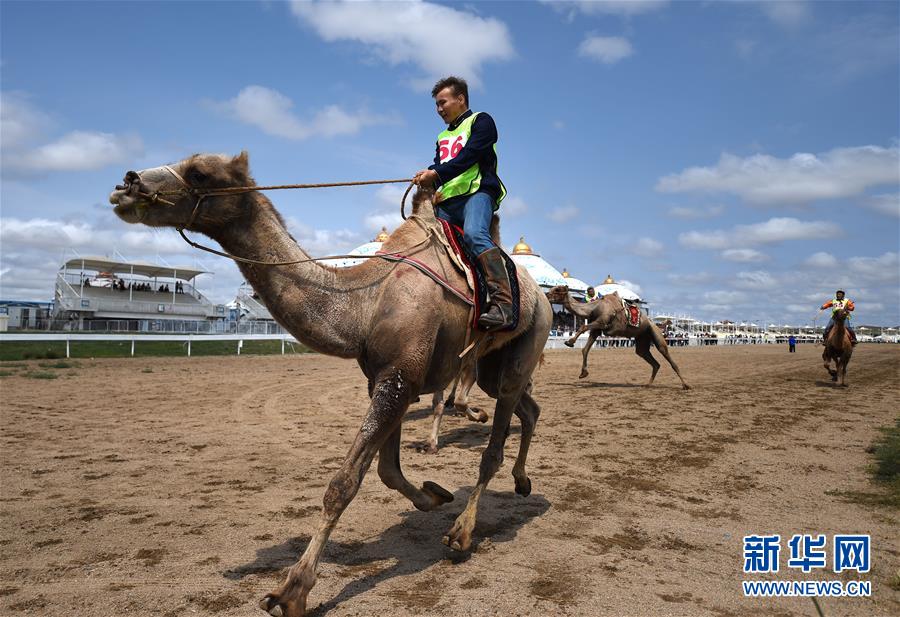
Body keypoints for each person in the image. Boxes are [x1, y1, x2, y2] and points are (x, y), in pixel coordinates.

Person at [413, 76, 511, 331]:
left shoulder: (482, 121)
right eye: (436, 105)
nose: (439, 109)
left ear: (460, 99)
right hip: (448, 200)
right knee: (422, 242)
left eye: (442, 102)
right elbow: (441, 165)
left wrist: (437, 173)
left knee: (475, 234)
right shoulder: (443, 135)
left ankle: (503, 305)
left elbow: (471, 155)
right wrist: (428, 176)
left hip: (478, 193)